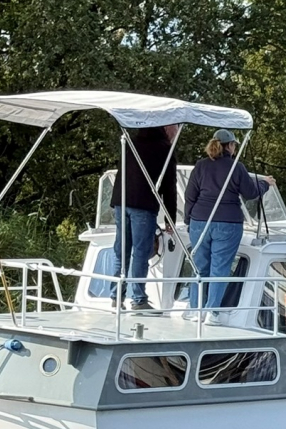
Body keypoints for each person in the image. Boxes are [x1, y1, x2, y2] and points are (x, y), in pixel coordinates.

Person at [184, 129, 275, 324]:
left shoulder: (201, 166)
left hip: (199, 221)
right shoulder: (236, 167)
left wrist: (188, 220)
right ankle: (212, 312)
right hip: (228, 222)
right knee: (220, 267)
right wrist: (265, 184)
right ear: (231, 146)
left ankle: (194, 309)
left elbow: (190, 195)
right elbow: (250, 193)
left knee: (199, 267)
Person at [110, 126, 177, 310]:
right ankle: (139, 299)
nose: (176, 132)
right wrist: (169, 219)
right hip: (144, 204)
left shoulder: (131, 142)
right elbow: (169, 187)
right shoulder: (165, 149)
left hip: (121, 201)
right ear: (167, 128)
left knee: (121, 250)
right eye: (176, 127)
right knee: (141, 252)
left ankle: (116, 296)